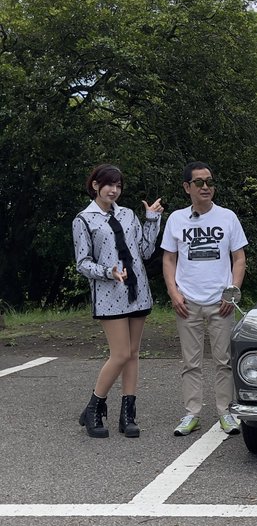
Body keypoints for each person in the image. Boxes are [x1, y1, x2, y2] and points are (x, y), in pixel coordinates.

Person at [72, 164, 164, 439]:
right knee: (120, 354)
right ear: (95, 185)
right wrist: (107, 272)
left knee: (133, 353)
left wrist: (151, 220)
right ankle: (94, 407)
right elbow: (82, 263)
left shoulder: (127, 215)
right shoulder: (84, 219)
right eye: (109, 184)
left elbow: (145, 251)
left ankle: (128, 415)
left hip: (138, 291)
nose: (114, 190)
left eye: (119, 185)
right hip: (110, 295)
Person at [161, 162, 247, 436]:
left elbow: (239, 258)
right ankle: (192, 413)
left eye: (209, 181)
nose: (206, 187)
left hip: (220, 302)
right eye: (199, 182)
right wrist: (174, 293)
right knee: (191, 362)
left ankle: (225, 411)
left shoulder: (228, 217)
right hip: (188, 303)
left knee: (224, 360)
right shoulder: (176, 219)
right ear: (187, 188)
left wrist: (232, 292)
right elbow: (169, 258)